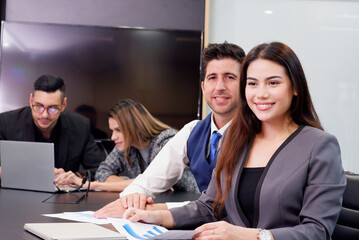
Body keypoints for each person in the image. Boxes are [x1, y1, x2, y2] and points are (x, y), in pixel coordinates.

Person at [121, 42, 346, 240]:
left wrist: (249, 236)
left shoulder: (319, 146)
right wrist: (156, 216)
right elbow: (210, 206)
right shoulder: (237, 139)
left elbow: (317, 231)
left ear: (295, 87)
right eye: (252, 84)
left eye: (273, 83)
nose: (261, 94)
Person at [93, 42, 245, 218]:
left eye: (229, 77)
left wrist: (155, 210)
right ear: (203, 87)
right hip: (202, 223)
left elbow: (226, 204)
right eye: (212, 78)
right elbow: (147, 181)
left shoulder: (258, 133)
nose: (219, 87)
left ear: (244, 85)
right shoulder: (192, 130)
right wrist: (133, 198)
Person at [57, 99, 197, 192]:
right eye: (112, 130)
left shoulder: (166, 141)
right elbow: (102, 173)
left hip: (188, 207)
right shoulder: (127, 145)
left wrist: (92, 185)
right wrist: (134, 182)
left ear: (134, 127)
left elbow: (154, 182)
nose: (113, 137)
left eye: (118, 130)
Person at [0, 74, 104, 181]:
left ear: (63, 104)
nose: (44, 115)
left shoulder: (81, 126)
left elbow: (100, 170)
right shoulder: (6, 123)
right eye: (39, 106)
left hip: (63, 196)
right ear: (31, 101)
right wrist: (32, 174)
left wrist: (74, 177)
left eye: (52, 108)